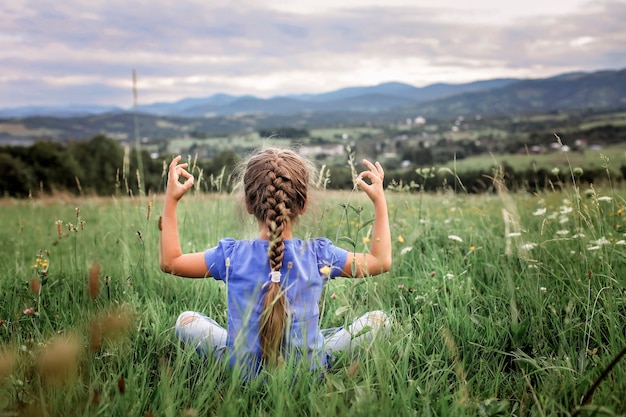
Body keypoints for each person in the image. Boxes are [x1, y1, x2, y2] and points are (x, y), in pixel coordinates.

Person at [159, 148, 391, 375]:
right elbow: (380, 261)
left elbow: (171, 262)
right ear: (304, 204)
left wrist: (171, 200)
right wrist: (380, 201)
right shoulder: (319, 255)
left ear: (249, 205)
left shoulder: (231, 256)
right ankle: (319, 347)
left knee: (186, 321)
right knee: (379, 321)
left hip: (243, 374)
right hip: (307, 374)